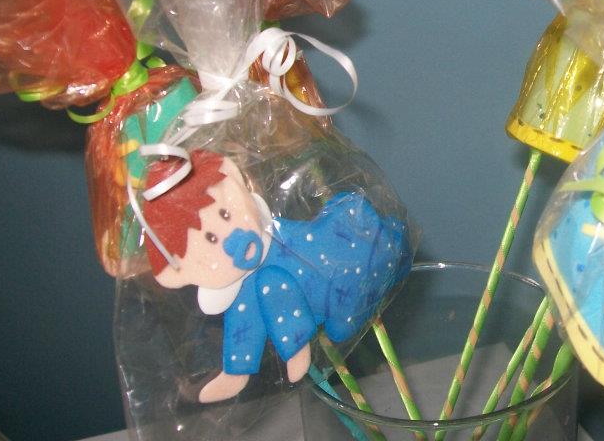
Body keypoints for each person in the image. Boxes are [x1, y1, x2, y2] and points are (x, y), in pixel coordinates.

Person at [143, 149, 410, 402]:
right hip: (339, 290)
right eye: (211, 239)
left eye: (225, 214)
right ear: (175, 272)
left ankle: (297, 345)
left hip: (340, 268)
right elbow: (244, 323)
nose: (233, 240)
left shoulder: (276, 245)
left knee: (273, 283)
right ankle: (239, 372)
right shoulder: (243, 288)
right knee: (258, 294)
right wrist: (236, 371)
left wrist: (295, 347)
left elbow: (277, 288)